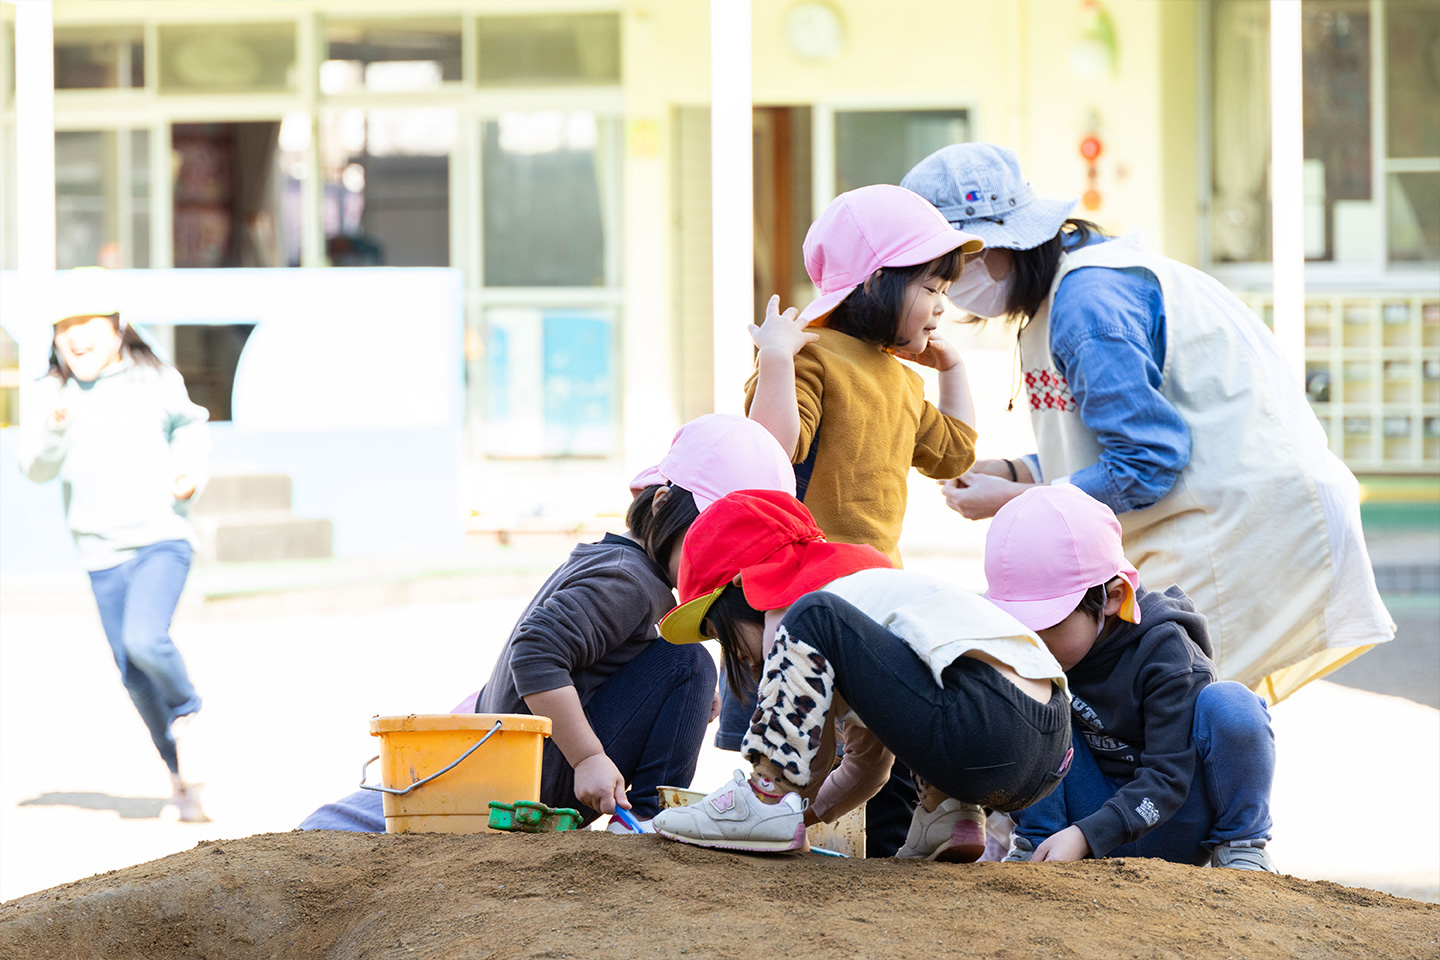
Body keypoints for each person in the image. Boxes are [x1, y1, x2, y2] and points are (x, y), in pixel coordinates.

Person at [901, 142, 1392, 702]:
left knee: (1177, 718)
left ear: (1001, 249)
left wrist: (1013, 501)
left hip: (1239, 526)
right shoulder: (1074, 284)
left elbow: (1149, 461)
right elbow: (1111, 445)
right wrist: (1016, 471)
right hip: (1220, 514)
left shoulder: (1088, 304)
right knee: (1181, 720)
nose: (951, 287)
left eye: (955, 265)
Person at [300, 414, 796, 833]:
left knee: (680, 668)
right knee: (687, 662)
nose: (717, 559)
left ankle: (649, 815)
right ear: (663, 503)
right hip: (530, 776)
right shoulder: (628, 583)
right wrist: (587, 758)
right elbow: (535, 650)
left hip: (528, 761)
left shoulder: (629, 571)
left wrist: (670, 702)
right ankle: (651, 823)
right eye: (706, 536)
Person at [740, 183, 985, 853]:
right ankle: (778, 811)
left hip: (876, 590)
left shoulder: (903, 381)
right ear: (877, 281)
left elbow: (957, 452)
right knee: (827, 739)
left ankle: (797, 822)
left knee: (873, 756)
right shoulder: (813, 354)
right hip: (811, 589)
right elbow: (772, 447)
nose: (942, 303)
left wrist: (952, 364)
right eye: (930, 284)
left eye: (945, 286)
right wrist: (776, 359)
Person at [650, 489, 1072, 858]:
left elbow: (812, 755)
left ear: (747, 587)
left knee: (812, 616)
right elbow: (866, 767)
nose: (737, 657)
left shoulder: (805, 615)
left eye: (722, 633)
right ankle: (946, 816)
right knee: (928, 671)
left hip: (987, 721)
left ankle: (762, 796)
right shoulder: (869, 617)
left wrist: (774, 806)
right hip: (1047, 744)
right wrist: (804, 817)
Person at [982, 485, 1277, 871]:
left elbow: (1169, 776)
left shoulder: (1166, 651)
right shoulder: (1043, 656)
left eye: (1045, 625)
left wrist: (1087, 835)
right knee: (1020, 697)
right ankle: (1035, 845)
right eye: (1017, 625)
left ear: (1113, 596)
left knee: (1232, 705)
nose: (1031, 643)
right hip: (1069, 831)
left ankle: (1241, 846)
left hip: (1174, 817)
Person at [18, 295, 211, 822]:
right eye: (65, 328)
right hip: (99, 552)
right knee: (132, 674)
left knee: (144, 639)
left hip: (160, 538)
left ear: (118, 327)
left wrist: (190, 473)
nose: (76, 337)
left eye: (88, 324)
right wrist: (55, 427)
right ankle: (181, 784)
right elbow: (34, 467)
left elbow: (191, 426)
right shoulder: (50, 393)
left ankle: (189, 711)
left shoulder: (155, 379)